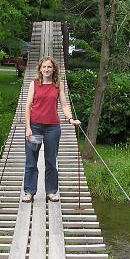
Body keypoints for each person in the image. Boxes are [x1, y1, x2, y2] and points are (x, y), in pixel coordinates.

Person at [21, 55, 80, 202]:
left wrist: (70, 119)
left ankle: (51, 192)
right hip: (34, 127)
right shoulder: (34, 84)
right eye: (44, 67)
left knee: (51, 160)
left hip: (52, 128)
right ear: (40, 69)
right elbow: (27, 106)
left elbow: (64, 105)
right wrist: (28, 128)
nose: (47, 69)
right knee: (31, 160)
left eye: (49, 67)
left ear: (54, 69)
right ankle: (29, 192)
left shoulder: (58, 85)